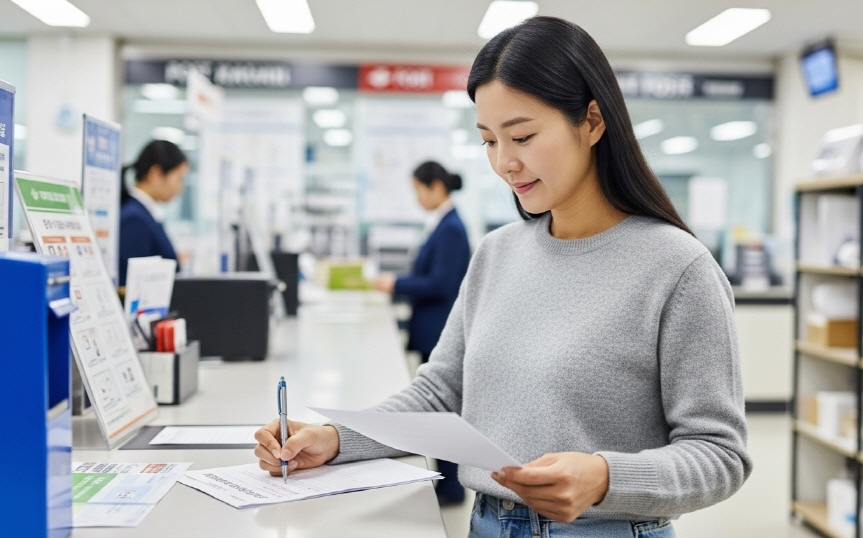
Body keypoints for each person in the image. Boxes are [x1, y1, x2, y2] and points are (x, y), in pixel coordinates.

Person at [255, 16, 750, 538]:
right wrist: (336, 437)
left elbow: (719, 455)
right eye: (489, 140)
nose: (505, 163)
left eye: (523, 136)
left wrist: (605, 477)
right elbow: (441, 393)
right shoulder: (497, 253)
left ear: (593, 121)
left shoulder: (678, 268)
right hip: (486, 524)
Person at [370, 160, 472, 504]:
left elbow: (441, 283)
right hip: (433, 326)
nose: (417, 199)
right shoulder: (443, 224)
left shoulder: (451, 229)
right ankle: (446, 481)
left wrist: (395, 283)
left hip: (440, 328)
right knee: (440, 409)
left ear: (436, 188)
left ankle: (452, 485)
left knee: (443, 409)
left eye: (418, 191)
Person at [118, 140, 188, 285]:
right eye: (179, 179)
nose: (180, 188)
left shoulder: (144, 212)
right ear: (155, 174)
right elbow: (132, 281)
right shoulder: (134, 218)